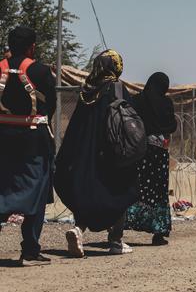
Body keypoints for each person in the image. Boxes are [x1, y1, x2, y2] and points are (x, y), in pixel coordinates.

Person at [55, 50, 139, 255]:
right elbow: (127, 118)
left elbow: (76, 125)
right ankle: (116, 241)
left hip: (86, 153)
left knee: (87, 191)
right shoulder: (116, 88)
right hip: (111, 152)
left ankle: (78, 230)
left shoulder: (87, 91)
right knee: (121, 190)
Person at [0, 26, 57, 266]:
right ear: (31, 46)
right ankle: (30, 249)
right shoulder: (41, 71)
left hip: (3, 137)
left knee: (3, 187)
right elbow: (51, 104)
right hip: (33, 140)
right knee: (36, 190)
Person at [124, 72, 177, 245]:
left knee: (136, 186)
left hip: (140, 151)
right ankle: (158, 233)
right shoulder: (166, 103)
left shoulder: (138, 100)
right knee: (159, 190)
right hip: (160, 152)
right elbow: (173, 125)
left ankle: (121, 227)